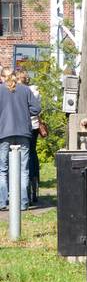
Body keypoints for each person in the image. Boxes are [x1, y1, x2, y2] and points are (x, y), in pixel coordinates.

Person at [0, 69, 40, 213]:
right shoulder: (25, 90)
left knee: (2, 170)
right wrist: (24, 111)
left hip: (4, 132)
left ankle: (2, 202)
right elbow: (36, 108)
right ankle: (23, 202)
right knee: (24, 170)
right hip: (23, 132)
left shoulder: (0, 90)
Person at [15, 70, 42, 206]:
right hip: (34, 127)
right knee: (33, 154)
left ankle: (23, 190)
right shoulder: (35, 91)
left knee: (23, 158)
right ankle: (34, 185)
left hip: (23, 126)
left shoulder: (18, 92)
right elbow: (37, 109)